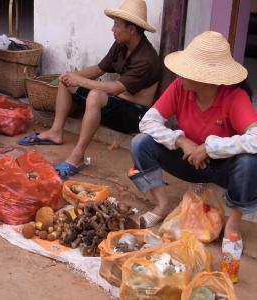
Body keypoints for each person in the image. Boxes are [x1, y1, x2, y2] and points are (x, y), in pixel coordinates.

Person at [130, 31, 257, 239]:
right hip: (187, 161)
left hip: (221, 168)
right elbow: (148, 122)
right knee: (140, 143)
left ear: (208, 78)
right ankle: (162, 205)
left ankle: (233, 224)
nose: (180, 75)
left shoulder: (235, 97)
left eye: (188, 70)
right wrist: (181, 141)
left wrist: (209, 148)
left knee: (250, 162)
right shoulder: (180, 87)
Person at [17, 0, 162, 179]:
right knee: (67, 80)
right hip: (119, 101)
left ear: (131, 29)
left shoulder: (146, 59)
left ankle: (77, 156)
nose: (112, 29)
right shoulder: (121, 45)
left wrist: (80, 80)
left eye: (116, 25)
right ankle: (55, 132)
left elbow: (115, 88)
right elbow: (99, 69)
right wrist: (70, 76)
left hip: (137, 115)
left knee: (95, 95)